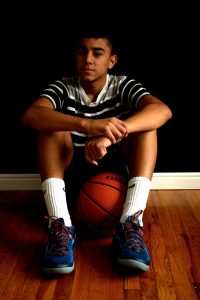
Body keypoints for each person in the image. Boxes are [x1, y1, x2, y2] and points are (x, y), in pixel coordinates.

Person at [22, 29, 172, 276]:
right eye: (82, 51)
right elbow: (31, 115)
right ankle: (60, 225)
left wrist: (108, 135)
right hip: (71, 174)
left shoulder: (122, 85)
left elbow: (162, 110)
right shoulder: (64, 87)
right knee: (49, 126)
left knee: (147, 127)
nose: (88, 59)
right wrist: (86, 125)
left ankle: (131, 223)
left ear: (111, 60)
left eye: (97, 52)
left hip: (114, 171)